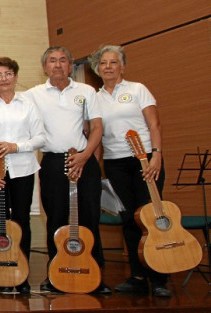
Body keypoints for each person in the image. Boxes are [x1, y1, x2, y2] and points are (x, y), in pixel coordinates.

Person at [23, 46, 111, 294]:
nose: (58, 65)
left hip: (84, 160)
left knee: (90, 218)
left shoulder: (86, 91)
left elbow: (96, 127)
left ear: (71, 65)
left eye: (63, 60)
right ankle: (56, 275)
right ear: (44, 67)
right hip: (52, 163)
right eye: (52, 61)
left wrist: (85, 156)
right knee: (57, 220)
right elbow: (6, 105)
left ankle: (96, 276)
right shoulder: (32, 95)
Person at [90, 45, 170, 297]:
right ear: (97, 69)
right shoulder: (96, 98)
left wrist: (156, 154)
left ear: (122, 66)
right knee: (129, 220)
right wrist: (96, 170)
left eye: (113, 62)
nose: (108, 67)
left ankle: (159, 278)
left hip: (144, 160)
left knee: (151, 216)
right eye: (103, 63)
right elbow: (96, 135)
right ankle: (137, 276)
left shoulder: (138, 90)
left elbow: (154, 124)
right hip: (115, 163)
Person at [0, 57, 45, 294]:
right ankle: (2, 271)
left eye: (8, 74)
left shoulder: (29, 105)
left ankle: (22, 273)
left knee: (22, 220)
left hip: (23, 170)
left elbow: (40, 138)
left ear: (15, 76)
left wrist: (16, 146)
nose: (3, 79)